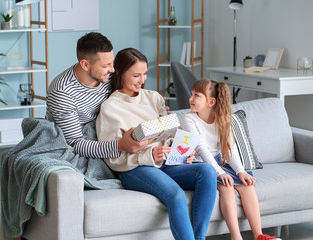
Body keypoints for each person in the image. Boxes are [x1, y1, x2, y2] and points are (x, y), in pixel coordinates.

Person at [96, 48, 217, 240]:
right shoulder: (110, 107)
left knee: (207, 171)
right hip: (135, 169)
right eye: (136, 75)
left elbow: (169, 134)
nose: (142, 80)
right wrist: (149, 155)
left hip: (167, 163)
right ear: (119, 72)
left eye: (144, 74)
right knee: (175, 195)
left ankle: (198, 238)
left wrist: (183, 151)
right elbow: (113, 158)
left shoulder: (153, 97)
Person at [180, 79, 281, 240]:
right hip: (201, 163)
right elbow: (201, 149)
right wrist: (220, 173)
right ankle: (236, 236)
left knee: (247, 185)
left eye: (196, 95)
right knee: (227, 186)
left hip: (219, 160)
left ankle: (259, 235)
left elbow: (230, 148)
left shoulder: (222, 118)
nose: (190, 99)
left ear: (211, 102)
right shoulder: (188, 118)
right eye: (192, 94)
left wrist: (240, 171)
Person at [46, 32, 149, 159]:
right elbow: (75, 144)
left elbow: (127, 96)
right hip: (86, 139)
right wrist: (121, 145)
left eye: (112, 63)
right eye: (106, 66)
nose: (112, 70)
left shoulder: (108, 76)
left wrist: (150, 106)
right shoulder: (62, 92)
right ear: (85, 64)